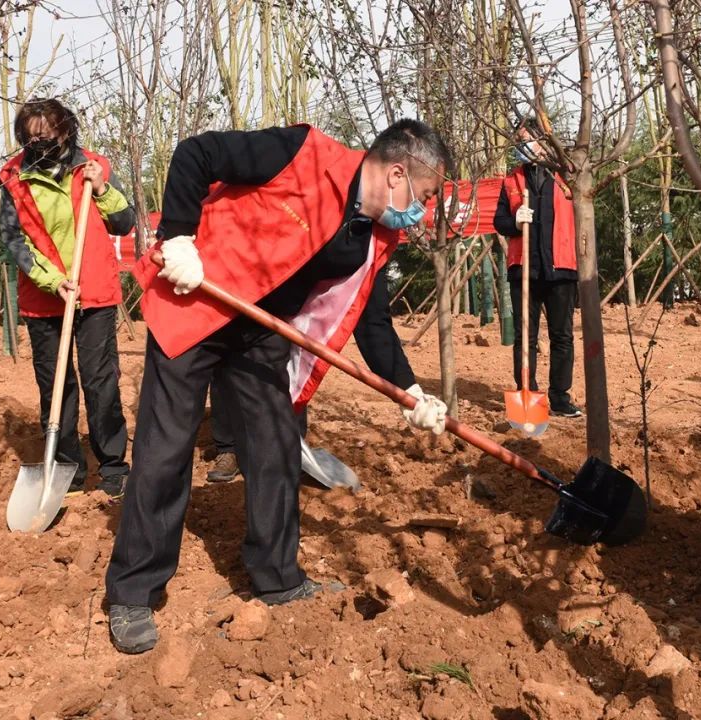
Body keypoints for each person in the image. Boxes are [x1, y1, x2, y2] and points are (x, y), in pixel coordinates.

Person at [106, 120, 451, 654]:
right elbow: (197, 153)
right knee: (165, 447)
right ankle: (132, 591)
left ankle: (278, 577)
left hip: (261, 330)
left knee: (274, 448)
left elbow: (372, 321)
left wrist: (411, 392)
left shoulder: (378, 233)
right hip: (195, 298)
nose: (422, 210)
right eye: (424, 196)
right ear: (398, 172)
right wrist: (179, 237)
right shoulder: (303, 153)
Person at [0, 98, 136, 496]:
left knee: (100, 380)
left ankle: (113, 465)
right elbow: (14, 241)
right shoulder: (12, 179)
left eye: (47, 134)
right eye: (31, 136)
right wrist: (52, 279)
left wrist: (102, 189)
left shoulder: (91, 167)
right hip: (45, 297)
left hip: (94, 291)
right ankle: (68, 468)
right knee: (55, 385)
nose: (39, 142)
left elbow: (123, 223)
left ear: (66, 130)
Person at [492, 117, 582, 418]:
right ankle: (527, 393)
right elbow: (499, 222)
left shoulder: (566, 175)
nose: (521, 145)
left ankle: (560, 397)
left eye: (526, 138)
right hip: (525, 270)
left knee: (562, 336)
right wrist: (516, 220)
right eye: (519, 140)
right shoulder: (512, 180)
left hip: (561, 268)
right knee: (524, 336)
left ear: (544, 140)